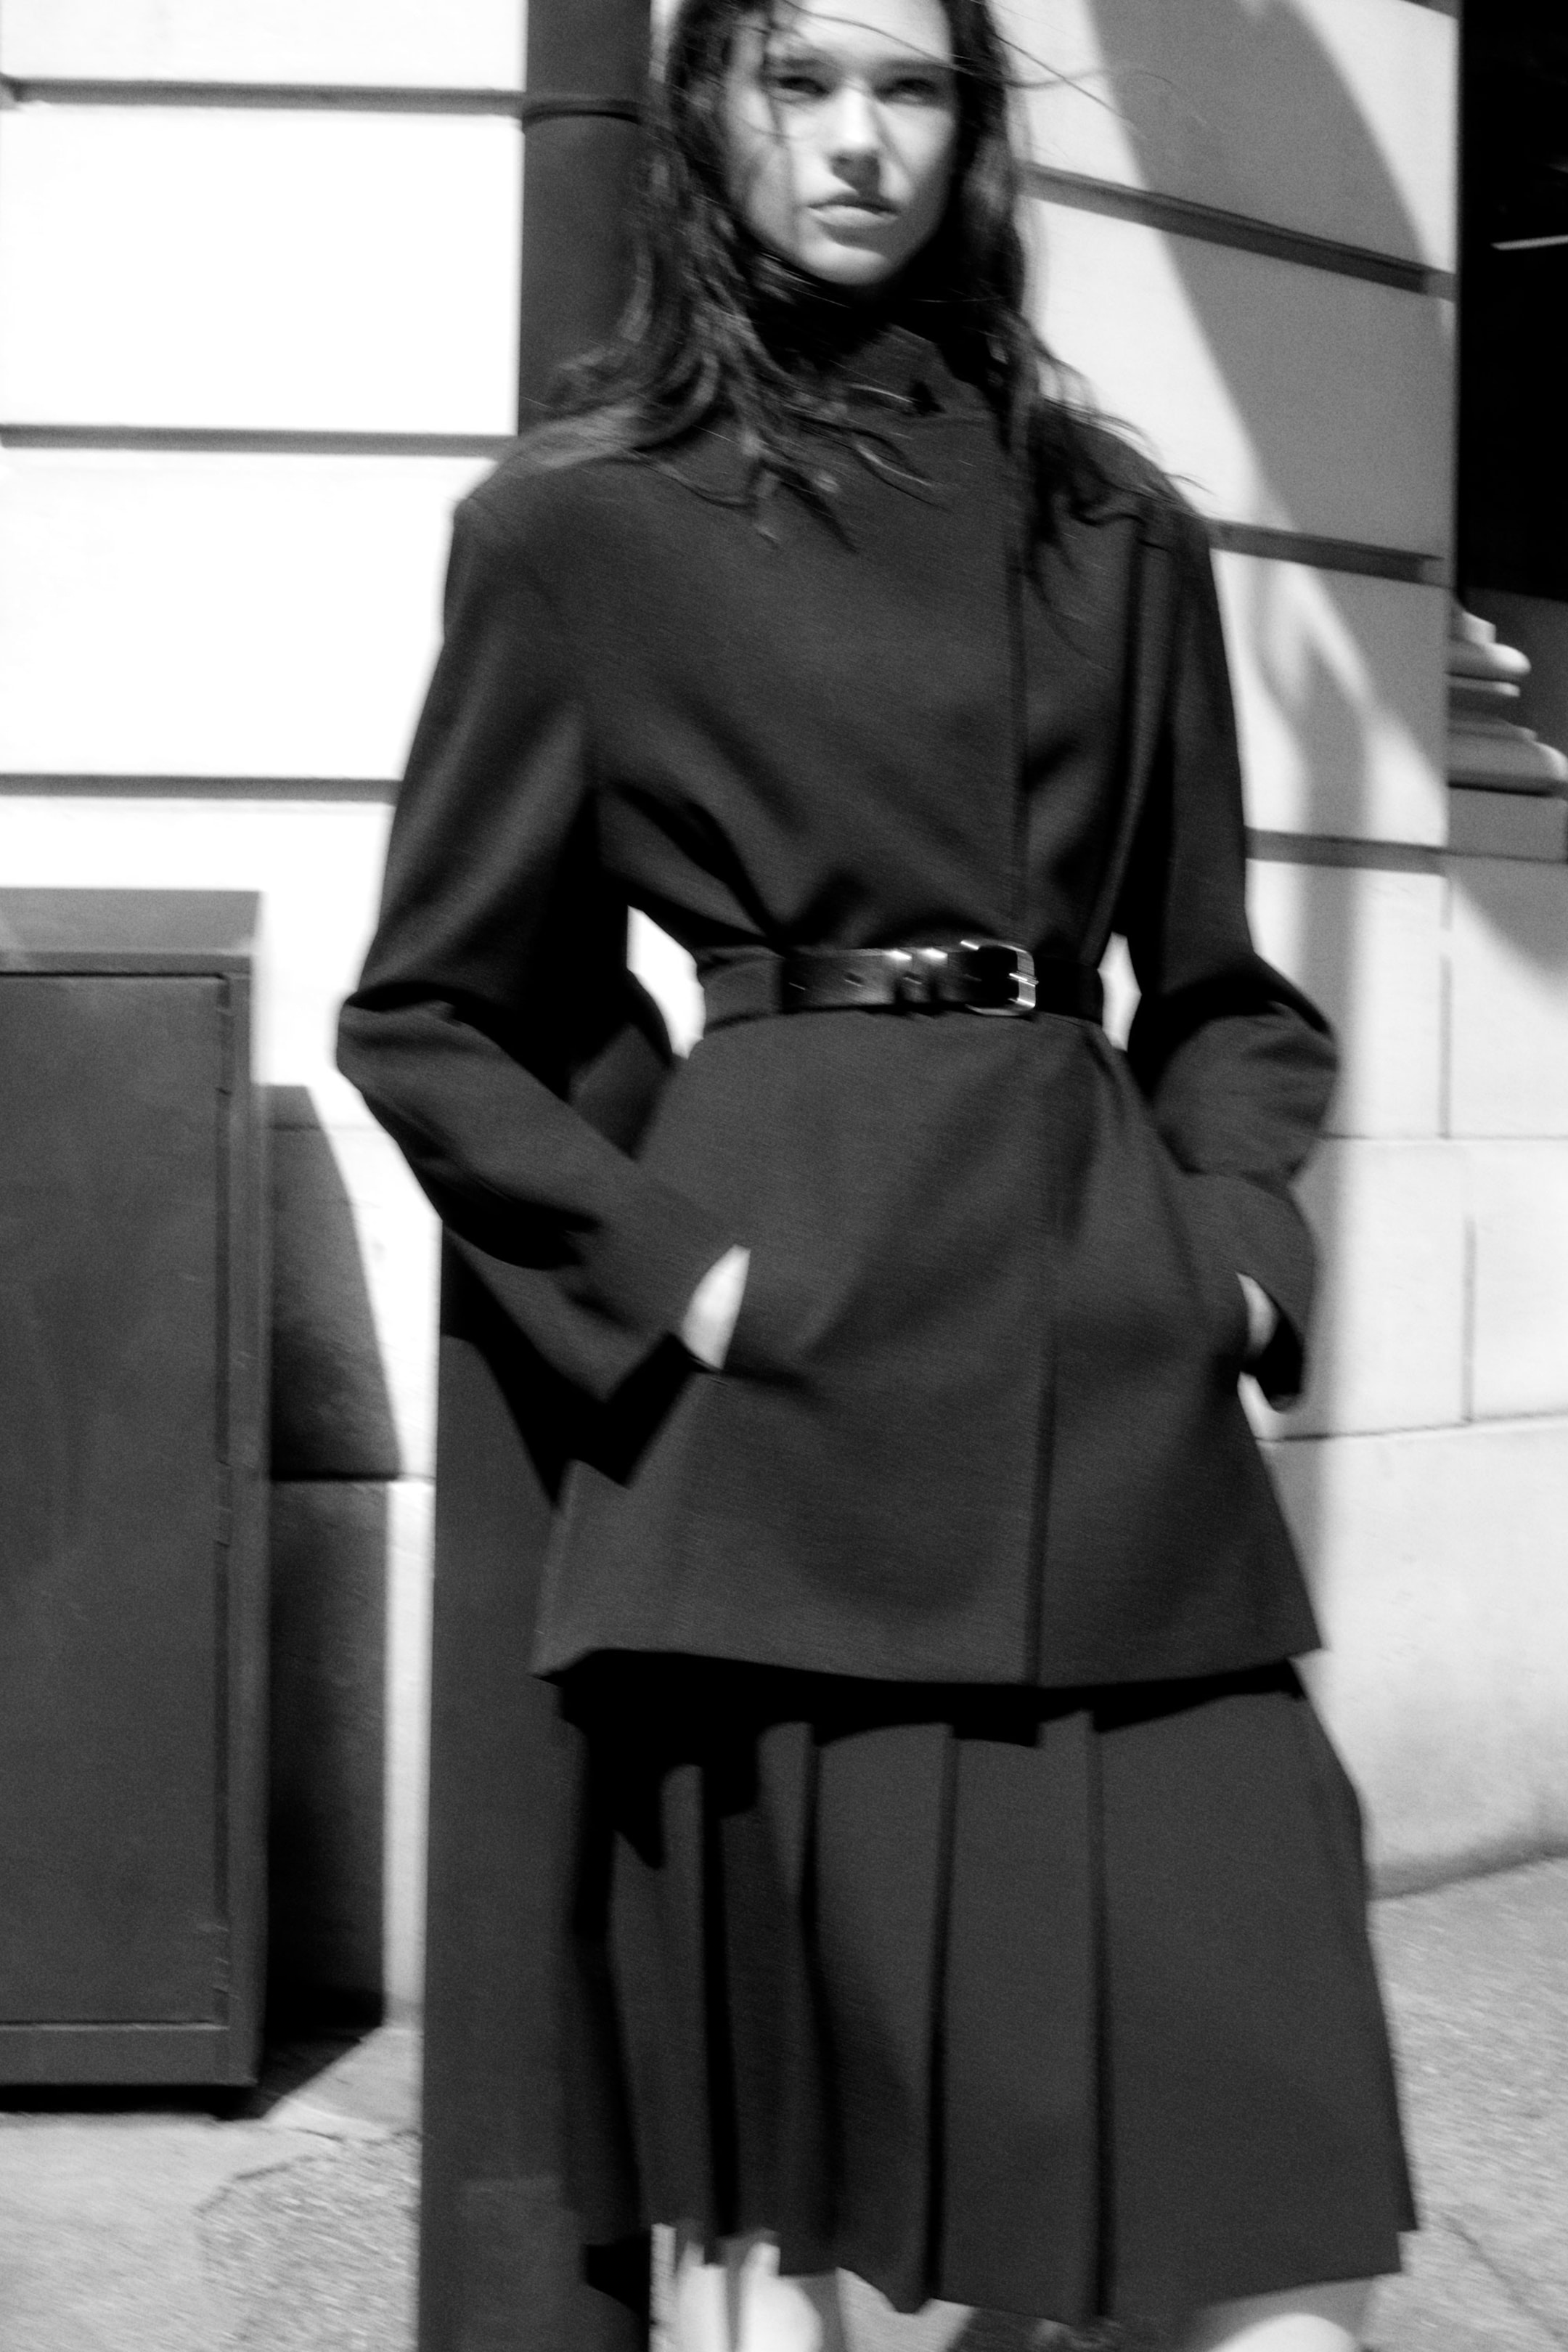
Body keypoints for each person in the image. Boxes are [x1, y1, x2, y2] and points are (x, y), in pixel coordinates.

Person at [338, 2, 1417, 2346]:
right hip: (784, 1438)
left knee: (1263, 2195)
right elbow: (435, 1007)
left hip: (1110, 1398)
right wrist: (685, 1282)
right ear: (711, 108)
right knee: (809, 2244)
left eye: (911, 87)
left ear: (970, 134)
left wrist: (1231, 1258)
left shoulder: (1114, 526)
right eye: (802, 77)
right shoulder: (576, 527)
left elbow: (1228, 992)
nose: (858, 138)